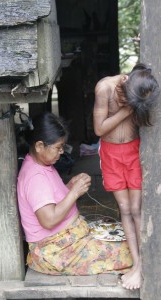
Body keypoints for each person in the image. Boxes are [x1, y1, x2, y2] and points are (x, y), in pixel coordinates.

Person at [17, 111, 133, 277]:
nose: (62, 152)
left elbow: (48, 199)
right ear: (39, 146)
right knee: (129, 250)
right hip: (57, 251)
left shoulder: (40, 165)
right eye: (58, 148)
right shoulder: (35, 177)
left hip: (65, 242)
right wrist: (74, 192)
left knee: (127, 238)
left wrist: (69, 186)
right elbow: (48, 220)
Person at [93, 63, 159, 290]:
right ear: (126, 83)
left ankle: (144, 267)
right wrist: (126, 111)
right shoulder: (105, 88)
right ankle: (138, 263)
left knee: (137, 208)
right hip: (111, 154)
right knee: (125, 210)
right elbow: (99, 129)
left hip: (133, 152)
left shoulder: (142, 91)